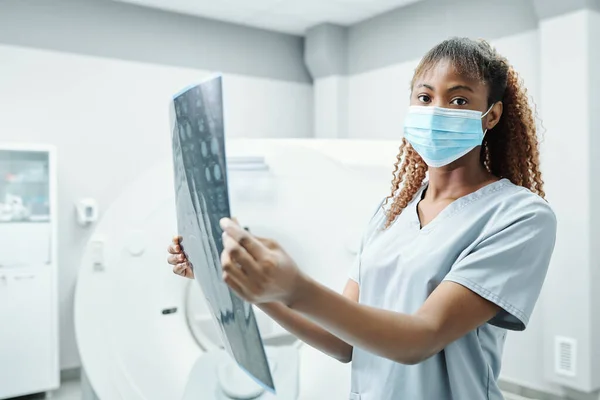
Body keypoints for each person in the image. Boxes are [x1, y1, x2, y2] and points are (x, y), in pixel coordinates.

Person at [167, 37, 557, 400]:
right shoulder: (389, 214)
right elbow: (340, 342)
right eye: (424, 97)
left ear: (491, 115)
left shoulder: (519, 216)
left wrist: (295, 286)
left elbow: (421, 338)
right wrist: (242, 284)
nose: (435, 111)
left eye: (458, 100)